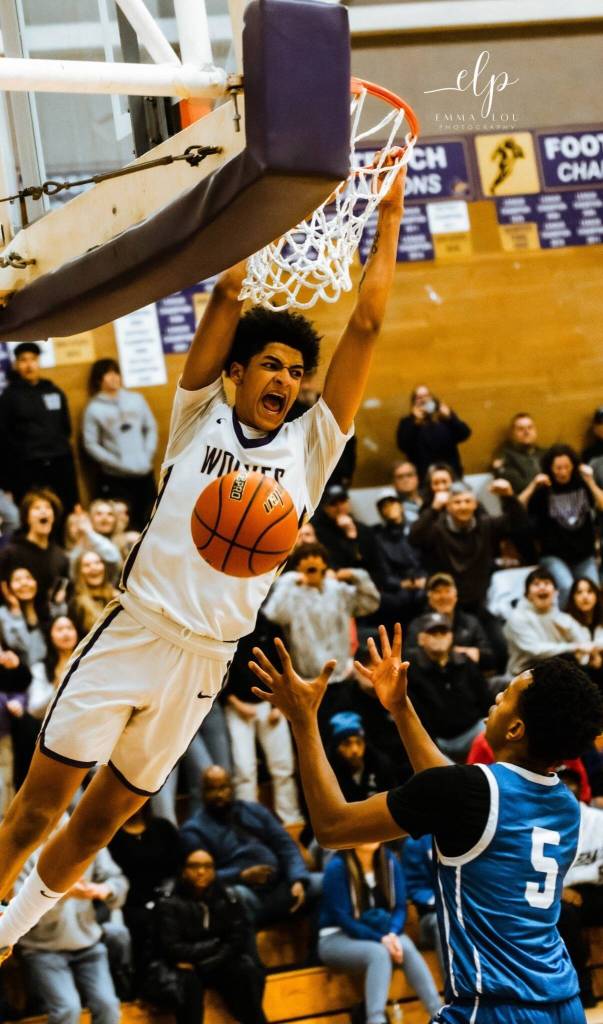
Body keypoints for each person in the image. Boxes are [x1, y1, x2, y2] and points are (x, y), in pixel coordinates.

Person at [0, 156, 406, 962]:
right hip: (134, 631)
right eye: (271, 366)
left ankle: (6, 932)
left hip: (204, 663)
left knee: (97, 824)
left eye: (295, 372)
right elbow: (226, 294)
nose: (285, 381)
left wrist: (387, 216)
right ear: (235, 374)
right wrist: (258, 196)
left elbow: (364, 327)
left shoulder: (311, 448)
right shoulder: (198, 421)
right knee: (40, 808)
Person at [247, 622, 603, 1024]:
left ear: (517, 729)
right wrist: (400, 707)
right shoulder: (567, 805)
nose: (498, 694)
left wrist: (303, 719)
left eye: (508, 695)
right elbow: (451, 788)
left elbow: (332, 827)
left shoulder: (468, 791)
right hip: (565, 1003)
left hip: (492, 1008)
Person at [179, 766, 321, 929]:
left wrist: (297, 879)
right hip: (245, 894)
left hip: (281, 885)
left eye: (223, 787)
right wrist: (241, 876)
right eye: (212, 789)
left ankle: (318, 951)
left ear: (232, 787)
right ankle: (249, 955)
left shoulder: (254, 810)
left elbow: (285, 845)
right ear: (201, 792)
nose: (219, 794)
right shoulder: (193, 830)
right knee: (236, 897)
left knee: (324, 882)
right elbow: (200, 877)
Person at [318, 841, 441, 1023]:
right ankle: (376, 1019)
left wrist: (392, 934)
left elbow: (400, 908)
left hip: (380, 934)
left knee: (405, 945)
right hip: (335, 937)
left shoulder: (389, 860)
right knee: (379, 954)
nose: (370, 838)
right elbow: (343, 919)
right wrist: (381, 939)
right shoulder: (337, 867)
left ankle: (438, 1013)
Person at [146, 847, 268, 1024]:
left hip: (211, 963)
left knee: (246, 970)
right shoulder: (168, 901)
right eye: (194, 866)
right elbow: (172, 949)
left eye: (207, 866)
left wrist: (207, 962)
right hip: (181, 970)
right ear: (183, 870)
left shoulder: (227, 896)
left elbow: (236, 940)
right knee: (188, 982)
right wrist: (215, 945)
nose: (201, 872)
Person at [263, 541, 380, 723]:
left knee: (348, 732)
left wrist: (357, 575)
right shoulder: (292, 593)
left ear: (324, 564)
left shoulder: (338, 590)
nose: (311, 564)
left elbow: (370, 602)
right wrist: (288, 580)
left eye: (316, 560)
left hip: (343, 677)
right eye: (305, 561)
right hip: (308, 682)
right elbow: (273, 614)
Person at [16, 835, 126, 1024]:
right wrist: (58, 898)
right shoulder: (23, 846)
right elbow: (19, 912)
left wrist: (105, 889)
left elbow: (118, 881)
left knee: (108, 1005)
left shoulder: (88, 832)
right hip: (42, 948)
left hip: (88, 943)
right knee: (67, 1009)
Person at [108, 803, 181, 994]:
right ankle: (143, 984)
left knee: (171, 916)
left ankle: (176, 976)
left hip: (165, 896)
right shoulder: (111, 836)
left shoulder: (163, 828)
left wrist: (166, 894)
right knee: (141, 923)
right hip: (129, 903)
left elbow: (178, 866)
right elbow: (113, 878)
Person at [0, 342, 79, 512]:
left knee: (64, 510)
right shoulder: (9, 397)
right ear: (16, 364)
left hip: (59, 462)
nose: (29, 365)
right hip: (28, 466)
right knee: (33, 513)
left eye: (33, 359)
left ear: (39, 361)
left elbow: (66, 428)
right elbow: (4, 437)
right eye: (23, 360)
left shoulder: (54, 390)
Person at [522, 444, 603, 608]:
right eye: (558, 468)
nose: (563, 472)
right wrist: (532, 486)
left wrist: (590, 481)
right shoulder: (544, 488)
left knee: (592, 591)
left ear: (574, 466)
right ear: (550, 468)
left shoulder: (582, 484)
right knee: (567, 587)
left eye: (567, 467)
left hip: (584, 554)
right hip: (554, 555)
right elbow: (516, 509)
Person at [82, 359, 158, 531]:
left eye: (116, 372)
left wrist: (147, 455)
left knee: (152, 518)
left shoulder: (136, 399)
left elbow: (150, 427)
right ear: (99, 379)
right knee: (125, 525)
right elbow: (90, 444)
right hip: (116, 478)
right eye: (108, 373)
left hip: (144, 472)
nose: (114, 377)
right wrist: (116, 463)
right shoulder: (93, 408)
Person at [406, 612, 491, 760]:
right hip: (438, 742)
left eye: (443, 632)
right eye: (432, 632)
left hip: (474, 733)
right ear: (421, 639)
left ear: (451, 636)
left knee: (492, 731)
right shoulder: (411, 671)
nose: (439, 637)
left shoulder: (465, 662)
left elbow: (486, 700)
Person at [556, 766, 603, 1009]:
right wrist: (560, 890)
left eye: (573, 786)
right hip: (564, 898)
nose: (568, 790)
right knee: (563, 915)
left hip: (597, 890)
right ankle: (583, 989)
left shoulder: (598, 820)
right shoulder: (542, 825)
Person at [503, 567, 590, 678]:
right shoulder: (517, 617)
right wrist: (573, 647)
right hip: (522, 675)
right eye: (536, 584)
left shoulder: (562, 617)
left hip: (557, 672)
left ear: (556, 592)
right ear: (527, 594)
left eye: (547, 583)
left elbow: (584, 643)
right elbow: (535, 650)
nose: (542, 587)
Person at [405, 573, 494, 670]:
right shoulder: (418, 624)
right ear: (429, 597)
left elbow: (490, 658)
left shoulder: (471, 622)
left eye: (447, 591)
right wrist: (437, 653)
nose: (443, 597)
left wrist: (476, 654)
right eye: (437, 592)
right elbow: (408, 656)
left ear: (456, 595)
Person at [0, 489, 69, 612]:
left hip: (47, 623)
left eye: (48, 507)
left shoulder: (61, 557)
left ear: (53, 516)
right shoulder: (10, 553)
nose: (43, 511)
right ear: (27, 517)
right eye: (36, 508)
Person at [312, 484, 386, 587]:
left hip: (370, 585)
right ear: (325, 508)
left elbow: (378, 566)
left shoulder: (364, 530)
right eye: (333, 504)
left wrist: (352, 535)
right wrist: (350, 539)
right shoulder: (319, 533)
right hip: (340, 587)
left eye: (343, 501)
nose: (340, 507)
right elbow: (336, 568)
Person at [371, 489, 426, 626]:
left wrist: (426, 579)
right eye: (384, 506)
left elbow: (430, 558)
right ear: (380, 512)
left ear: (400, 505)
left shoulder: (417, 527)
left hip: (425, 579)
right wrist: (404, 584)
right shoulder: (379, 538)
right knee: (393, 602)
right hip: (401, 585)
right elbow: (384, 574)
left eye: (392, 503)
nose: (390, 508)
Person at [396, 386, 471, 481]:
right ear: (414, 402)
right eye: (419, 397)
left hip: (452, 474)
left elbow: (465, 434)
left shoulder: (444, 417)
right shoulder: (407, 422)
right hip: (424, 478)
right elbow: (403, 446)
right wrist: (414, 423)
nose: (423, 400)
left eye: (426, 396)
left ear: (432, 398)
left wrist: (451, 417)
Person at [327, 711, 398, 803]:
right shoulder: (329, 774)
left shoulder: (380, 764)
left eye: (359, 742)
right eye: (346, 744)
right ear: (336, 748)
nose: (355, 750)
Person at [401, 834, 445, 974]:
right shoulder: (416, 842)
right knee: (443, 922)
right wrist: (443, 901)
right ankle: (457, 991)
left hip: (464, 911)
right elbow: (414, 888)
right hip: (431, 916)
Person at [491, 412, 546, 499]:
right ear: (513, 433)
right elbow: (519, 486)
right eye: (521, 429)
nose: (526, 432)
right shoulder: (506, 458)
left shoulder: (545, 453)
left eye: (530, 427)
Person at [565, 578, 603, 689]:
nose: (585, 596)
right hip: (578, 678)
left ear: (596, 595)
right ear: (572, 597)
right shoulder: (565, 621)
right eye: (579, 592)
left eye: (589, 591)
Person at [68, 551, 117, 637]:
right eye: (87, 565)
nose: (94, 567)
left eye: (97, 563)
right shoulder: (76, 604)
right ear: (79, 572)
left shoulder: (116, 596)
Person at [391, 461, 422, 525]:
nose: (405, 480)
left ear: (417, 478)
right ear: (394, 483)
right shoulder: (392, 507)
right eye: (400, 477)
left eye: (409, 475)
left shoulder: (431, 499)